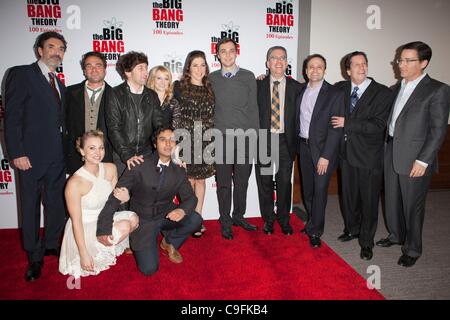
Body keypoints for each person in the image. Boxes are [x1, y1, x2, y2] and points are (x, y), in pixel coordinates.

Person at [377, 41, 450, 267]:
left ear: (424, 63)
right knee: (391, 199)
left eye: (409, 60)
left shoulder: (438, 89)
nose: (402, 64)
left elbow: (438, 130)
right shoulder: (394, 88)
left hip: (415, 158)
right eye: (400, 59)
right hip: (390, 151)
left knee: (412, 205)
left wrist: (424, 160)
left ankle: (413, 248)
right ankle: (396, 235)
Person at [5, 31, 68, 282]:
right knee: (30, 206)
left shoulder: (60, 84)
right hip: (29, 157)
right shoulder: (21, 74)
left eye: (61, 48)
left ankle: (52, 243)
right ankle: (34, 255)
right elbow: (12, 117)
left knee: (55, 204)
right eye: (51, 46)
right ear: (39, 50)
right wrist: (17, 152)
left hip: (56, 157)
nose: (57, 51)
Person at [97, 126, 202, 276]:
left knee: (195, 219)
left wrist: (181, 210)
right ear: (154, 144)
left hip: (166, 214)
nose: (167, 144)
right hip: (143, 220)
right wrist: (103, 228)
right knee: (149, 269)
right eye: (162, 139)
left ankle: (169, 242)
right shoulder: (138, 164)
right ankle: (135, 241)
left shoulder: (179, 170)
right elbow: (116, 196)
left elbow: (191, 198)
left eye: (172, 140)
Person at [332, 51, 392, 260]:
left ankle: (366, 242)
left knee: (368, 201)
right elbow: (316, 90)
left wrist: (348, 123)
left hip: (369, 157)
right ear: (347, 70)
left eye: (364, 63)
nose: (362, 67)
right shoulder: (340, 88)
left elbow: (378, 125)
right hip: (345, 154)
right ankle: (352, 229)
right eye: (356, 65)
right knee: (349, 198)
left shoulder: (382, 93)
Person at [59, 130, 138, 278]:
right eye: (92, 148)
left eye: (101, 148)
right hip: (85, 226)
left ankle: (104, 247)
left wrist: (125, 197)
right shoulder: (74, 183)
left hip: (104, 218)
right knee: (125, 226)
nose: (98, 153)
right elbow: (76, 222)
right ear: (82, 151)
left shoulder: (110, 168)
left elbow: (115, 200)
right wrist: (83, 254)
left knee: (134, 218)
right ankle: (93, 250)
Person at [209, 38, 260, 240]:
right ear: (218, 55)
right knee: (223, 184)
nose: (228, 55)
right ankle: (225, 220)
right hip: (221, 140)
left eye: (231, 51)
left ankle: (239, 216)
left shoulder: (248, 77)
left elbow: (254, 109)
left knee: (242, 182)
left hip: (245, 140)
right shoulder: (211, 78)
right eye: (223, 51)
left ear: (236, 53)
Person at [296, 54, 345, 248]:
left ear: (324, 70)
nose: (314, 70)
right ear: (305, 70)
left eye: (319, 67)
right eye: (311, 67)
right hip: (303, 147)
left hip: (323, 151)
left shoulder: (334, 93)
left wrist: (326, 156)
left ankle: (316, 230)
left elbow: (336, 128)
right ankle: (311, 222)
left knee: (320, 190)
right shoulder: (301, 91)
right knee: (308, 190)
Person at [255, 46, 303, 236]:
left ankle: (284, 220)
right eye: (274, 58)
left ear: (286, 62)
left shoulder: (297, 88)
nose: (278, 61)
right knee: (265, 182)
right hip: (264, 142)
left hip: (285, 141)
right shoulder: (257, 85)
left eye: (282, 58)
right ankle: (268, 220)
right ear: (268, 63)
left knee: (284, 182)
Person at [172, 50, 215, 238]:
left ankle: (197, 218)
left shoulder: (211, 87)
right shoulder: (179, 87)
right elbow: (173, 115)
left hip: (206, 139)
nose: (199, 69)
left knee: (201, 180)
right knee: (187, 180)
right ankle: (187, 218)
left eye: (202, 64)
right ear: (188, 67)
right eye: (195, 65)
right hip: (185, 138)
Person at [106, 51, 162, 175]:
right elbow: (114, 129)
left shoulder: (152, 96)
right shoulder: (115, 94)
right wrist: (127, 155)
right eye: (140, 68)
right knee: (124, 193)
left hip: (147, 155)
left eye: (146, 68)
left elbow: (159, 126)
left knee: (145, 194)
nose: (146, 72)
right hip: (123, 157)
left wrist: (161, 149)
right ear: (128, 72)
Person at [65, 51, 113, 175]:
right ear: (84, 71)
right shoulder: (69, 93)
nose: (94, 69)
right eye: (89, 66)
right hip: (76, 159)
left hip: (106, 158)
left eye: (98, 65)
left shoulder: (117, 95)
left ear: (105, 69)